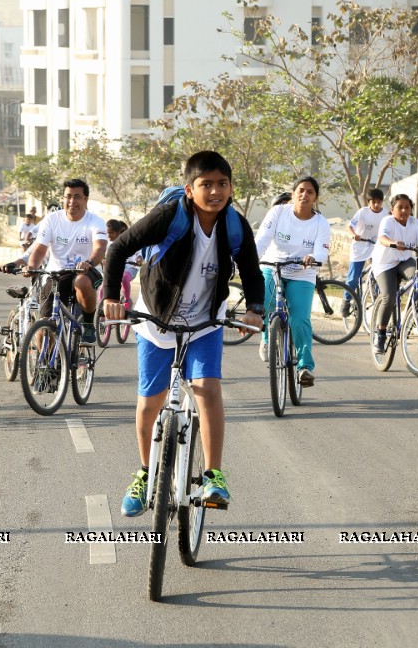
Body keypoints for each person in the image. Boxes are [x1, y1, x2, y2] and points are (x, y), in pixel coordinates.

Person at [103, 152, 265, 517]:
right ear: (190, 190)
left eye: (222, 184)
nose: (215, 191)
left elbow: (252, 270)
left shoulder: (235, 226)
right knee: (151, 402)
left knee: (207, 388)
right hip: (155, 319)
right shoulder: (170, 217)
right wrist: (111, 297)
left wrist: (256, 309)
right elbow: (119, 248)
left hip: (205, 321)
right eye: (206, 184)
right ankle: (145, 473)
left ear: (231, 188)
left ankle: (214, 476)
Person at [254, 176, 332, 388]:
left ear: (316, 198)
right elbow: (262, 239)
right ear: (293, 192)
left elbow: (321, 251)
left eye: (310, 192)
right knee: (267, 303)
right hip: (273, 266)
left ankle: (305, 367)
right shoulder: (279, 212)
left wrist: (313, 258)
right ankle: (267, 337)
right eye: (301, 190)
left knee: (299, 319)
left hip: (302, 273)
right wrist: (250, 262)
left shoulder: (320, 223)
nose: (304, 195)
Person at [25, 179, 108, 344]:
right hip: (57, 274)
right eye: (68, 196)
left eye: (77, 197)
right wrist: (32, 266)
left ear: (85, 199)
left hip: (86, 271)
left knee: (82, 281)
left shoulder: (95, 221)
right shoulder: (52, 219)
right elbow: (40, 249)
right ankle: (45, 368)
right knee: (44, 324)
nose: (72, 201)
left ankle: (88, 323)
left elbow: (100, 248)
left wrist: (89, 263)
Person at [372, 193, 418, 354]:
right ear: (392, 209)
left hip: (404, 260)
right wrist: (393, 243)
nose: (404, 210)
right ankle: (381, 335)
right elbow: (382, 238)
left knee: (417, 275)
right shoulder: (388, 221)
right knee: (389, 297)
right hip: (384, 264)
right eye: (400, 207)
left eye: (407, 207)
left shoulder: (415, 223)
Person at [343, 187, 388, 317]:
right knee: (353, 278)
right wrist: (354, 235)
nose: (376, 204)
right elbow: (350, 226)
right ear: (369, 202)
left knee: (380, 274)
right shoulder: (362, 212)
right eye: (373, 202)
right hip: (360, 247)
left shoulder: (386, 213)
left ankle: (379, 300)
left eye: (379, 202)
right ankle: (346, 300)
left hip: (376, 247)